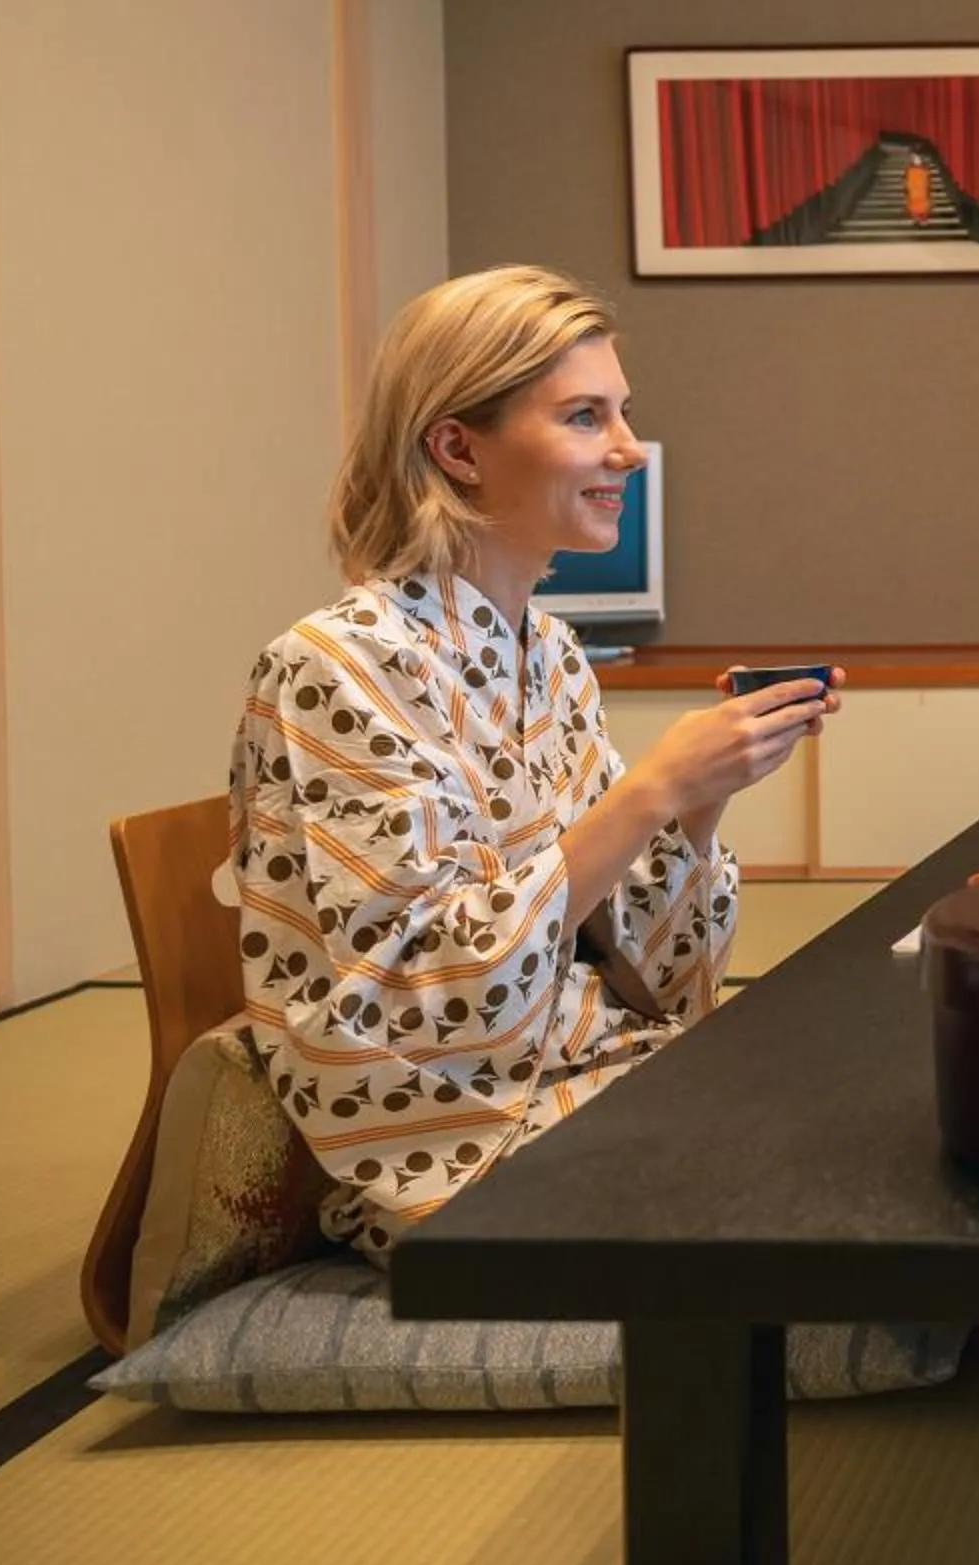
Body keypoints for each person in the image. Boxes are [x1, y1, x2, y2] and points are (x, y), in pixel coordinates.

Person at [229, 265, 840, 1260]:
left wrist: (699, 807)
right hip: (462, 1136)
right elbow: (424, 1003)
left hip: (603, 1058)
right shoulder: (339, 668)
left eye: (623, 413)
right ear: (457, 446)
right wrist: (650, 790)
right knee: (854, 1158)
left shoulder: (547, 653)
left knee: (892, 1087)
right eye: (585, 416)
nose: (629, 448)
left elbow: (655, 977)